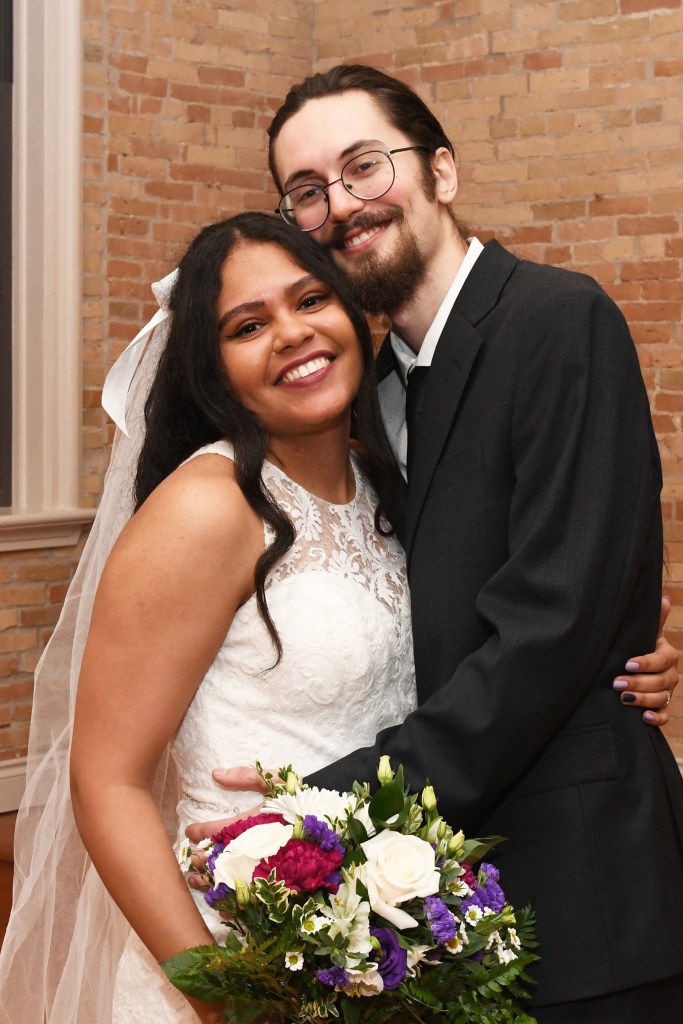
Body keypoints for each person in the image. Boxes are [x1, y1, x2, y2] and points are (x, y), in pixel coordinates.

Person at [198, 66, 683, 1022]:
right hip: (438, 907)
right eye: (306, 192)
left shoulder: (556, 319)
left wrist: (326, 803)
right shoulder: (366, 394)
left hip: (587, 894)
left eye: (364, 167)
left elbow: (550, 626)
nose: (340, 205)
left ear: (441, 173)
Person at [0, 213, 417, 1023]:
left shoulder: (382, 483)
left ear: (353, 311)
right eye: (249, 325)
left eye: (310, 300)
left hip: (376, 946)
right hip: (236, 950)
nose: (292, 334)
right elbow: (108, 783)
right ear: (214, 370)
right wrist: (225, 999)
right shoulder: (207, 507)